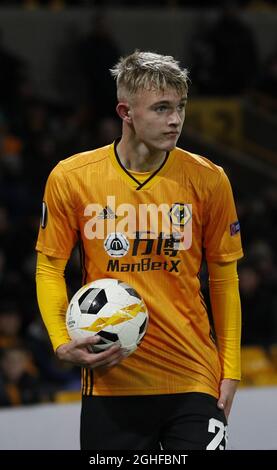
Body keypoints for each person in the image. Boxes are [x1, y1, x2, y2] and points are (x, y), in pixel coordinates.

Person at [36, 51, 243, 450]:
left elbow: (224, 277)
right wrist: (61, 342)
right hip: (112, 383)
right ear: (125, 111)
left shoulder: (209, 180)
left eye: (180, 107)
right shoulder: (72, 178)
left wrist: (230, 368)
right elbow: (49, 268)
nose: (175, 120)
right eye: (162, 108)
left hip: (193, 376)